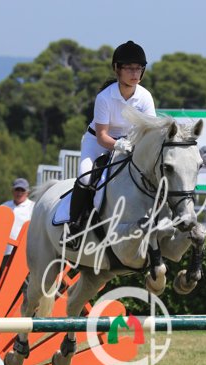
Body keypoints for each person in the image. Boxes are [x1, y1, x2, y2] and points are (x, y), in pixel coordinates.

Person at [68, 40, 156, 241]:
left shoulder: (145, 97)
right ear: (117, 69)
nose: (135, 73)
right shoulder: (104, 97)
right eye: (130, 68)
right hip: (98, 142)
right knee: (85, 177)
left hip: (130, 144)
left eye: (139, 68)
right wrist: (118, 145)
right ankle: (75, 226)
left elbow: (149, 131)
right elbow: (102, 136)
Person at [1, 178, 34, 253]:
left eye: (22, 190)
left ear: (27, 192)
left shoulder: (33, 207)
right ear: (12, 191)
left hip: (25, 251)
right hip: (5, 251)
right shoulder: (4, 207)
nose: (19, 193)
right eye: (17, 190)